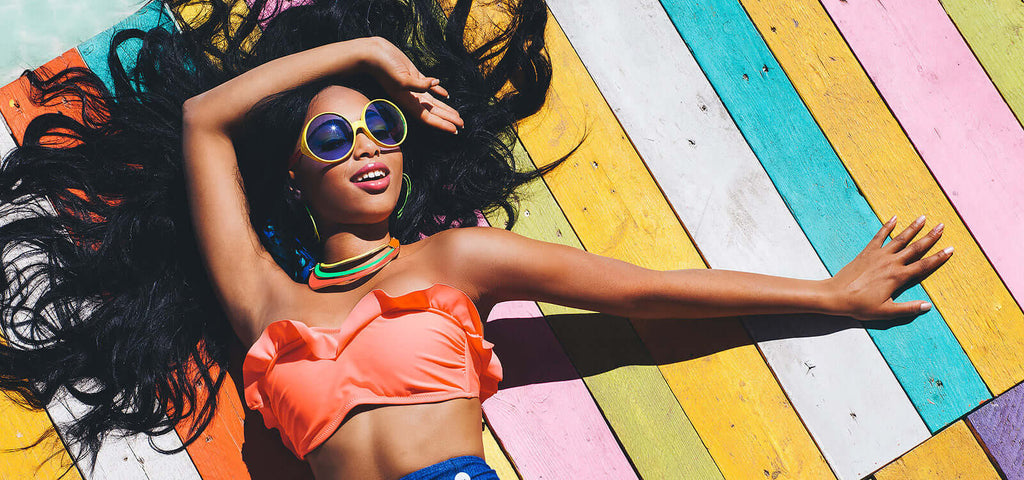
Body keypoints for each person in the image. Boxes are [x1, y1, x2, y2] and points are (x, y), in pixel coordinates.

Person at [0, 0, 951, 479]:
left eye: (384, 124)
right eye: (332, 136)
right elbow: (206, 119)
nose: (368, 143)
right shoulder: (262, 299)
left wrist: (830, 299)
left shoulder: (454, 260)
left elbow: (645, 289)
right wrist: (369, 56)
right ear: (293, 178)